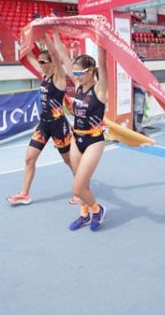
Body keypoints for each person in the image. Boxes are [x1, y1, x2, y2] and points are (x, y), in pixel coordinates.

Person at [6, 35, 75, 206]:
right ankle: (24, 194)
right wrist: (23, 40)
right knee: (29, 159)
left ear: (52, 62)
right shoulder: (44, 75)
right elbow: (28, 56)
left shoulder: (59, 77)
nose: (40, 65)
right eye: (40, 62)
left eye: (44, 62)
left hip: (59, 126)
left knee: (69, 161)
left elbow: (55, 53)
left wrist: (45, 33)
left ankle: (81, 189)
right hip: (44, 124)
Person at [51, 35, 109, 232]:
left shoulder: (100, 88)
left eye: (79, 72)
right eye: (74, 73)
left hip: (94, 140)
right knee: (82, 183)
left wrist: (100, 40)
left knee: (77, 188)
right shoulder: (78, 87)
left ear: (91, 71)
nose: (75, 76)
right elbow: (64, 57)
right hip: (77, 139)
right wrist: (53, 33)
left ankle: (97, 209)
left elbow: (103, 62)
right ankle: (84, 214)